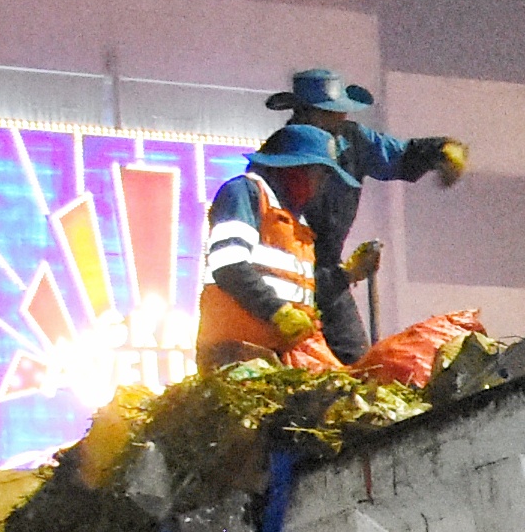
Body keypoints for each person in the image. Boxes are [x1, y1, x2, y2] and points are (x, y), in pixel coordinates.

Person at [266, 67, 466, 357]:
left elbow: (398, 155)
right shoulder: (280, 154)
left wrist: (440, 152)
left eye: (341, 111)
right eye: (330, 112)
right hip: (287, 277)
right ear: (304, 113)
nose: (341, 117)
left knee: (355, 361)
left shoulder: (352, 140)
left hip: (329, 275)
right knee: (291, 362)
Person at [196, 124, 352, 372]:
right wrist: (277, 311)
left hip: (279, 357)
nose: (323, 185)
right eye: (321, 174)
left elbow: (294, 289)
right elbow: (228, 264)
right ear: (295, 170)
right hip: (235, 354)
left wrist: (347, 276)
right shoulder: (245, 193)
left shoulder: (296, 221)